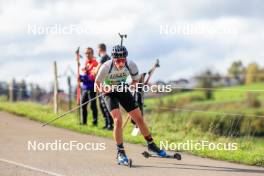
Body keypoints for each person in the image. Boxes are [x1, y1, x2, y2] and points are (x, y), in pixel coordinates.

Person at [95, 45, 166, 164]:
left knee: (139, 118)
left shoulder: (131, 64)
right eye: (118, 60)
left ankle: (151, 144)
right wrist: (104, 89)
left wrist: (128, 86)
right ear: (113, 59)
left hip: (122, 89)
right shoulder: (106, 67)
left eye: (123, 60)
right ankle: (120, 152)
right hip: (109, 93)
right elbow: (97, 83)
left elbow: (135, 81)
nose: (121, 63)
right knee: (118, 120)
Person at [95, 43, 113, 130]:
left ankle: (110, 124)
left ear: (99, 49)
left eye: (97, 50)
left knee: (104, 105)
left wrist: (94, 70)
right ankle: (107, 123)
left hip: (104, 84)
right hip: (106, 84)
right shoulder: (108, 58)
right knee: (103, 105)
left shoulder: (103, 57)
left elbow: (96, 70)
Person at [79, 47, 98, 125]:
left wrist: (83, 78)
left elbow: (92, 77)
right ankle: (84, 122)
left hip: (92, 87)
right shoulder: (86, 63)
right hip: (85, 88)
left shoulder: (95, 63)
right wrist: (80, 77)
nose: (87, 54)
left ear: (92, 54)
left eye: (89, 53)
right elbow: (85, 75)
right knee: (82, 104)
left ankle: (94, 122)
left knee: (93, 105)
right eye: (86, 53)